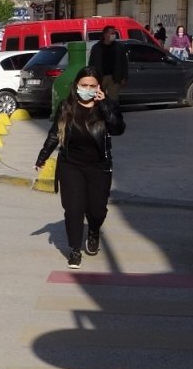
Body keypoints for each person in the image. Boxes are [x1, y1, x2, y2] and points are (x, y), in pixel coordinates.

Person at [35, 66, 125, 269]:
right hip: (71, 165)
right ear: (76, 86)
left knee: (97, 211)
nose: (88, 89)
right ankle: (74, 250)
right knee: (73, 209)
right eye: (84, 85)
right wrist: (42, 157)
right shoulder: (67, 106)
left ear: (99, 87)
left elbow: (118, 128)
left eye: (92, 86)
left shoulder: (106, 106)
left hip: (99, 167)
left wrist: (104, 105)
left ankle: (93, 231)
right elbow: (54, 134)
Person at [88, 25, 128, 101]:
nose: (114, 35)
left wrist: (124, 77)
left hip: (114, 78)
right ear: (105, 34)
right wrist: (91, 77)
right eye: (112, 33)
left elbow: (124, 63)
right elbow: (92, 63)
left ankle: (113, 112)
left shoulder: (119, 47)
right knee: (98, 98)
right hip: (100, 77)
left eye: (114, 33)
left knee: (113, 99)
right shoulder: (97, 47)